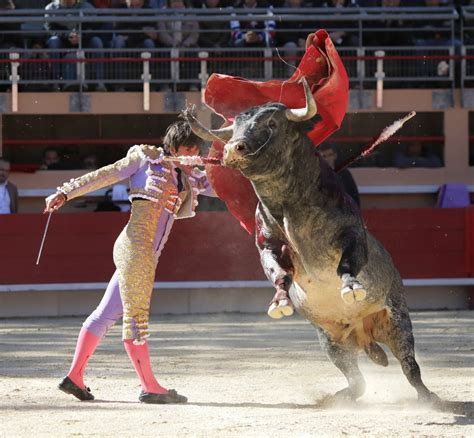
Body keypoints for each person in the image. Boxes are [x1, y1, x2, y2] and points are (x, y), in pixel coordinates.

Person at [44, 120, 216, 404]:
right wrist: (65, 192)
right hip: (136, 249)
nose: (193, 153)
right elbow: (106, 175)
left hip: (146, 253)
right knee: (136, 318)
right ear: (173, 145)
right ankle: (149, 386)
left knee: (106, 314)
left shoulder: (190, 177)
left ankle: (74, 377)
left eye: (197, 148)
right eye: (188, 147)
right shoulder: (145, 159)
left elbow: (223, 188)